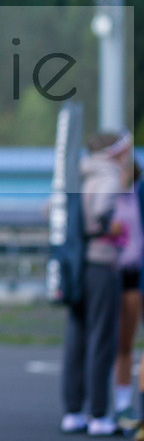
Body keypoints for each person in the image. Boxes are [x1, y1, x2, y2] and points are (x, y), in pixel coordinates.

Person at [61, 131, 132, 436]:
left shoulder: (78, 174)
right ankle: (100, 415)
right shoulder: (110, 177)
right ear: (116, 152)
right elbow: (103, 214)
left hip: (75, 265)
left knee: (76, 338)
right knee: (103, 339)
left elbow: (52, 210)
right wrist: (114, 227)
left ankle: (73, 411)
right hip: (101, 263)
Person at [113, 158, 143, 430]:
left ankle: (124, 404)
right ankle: (117, 404)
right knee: (118, 343)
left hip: (135, 273)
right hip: (113, 273)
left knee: (129, 342)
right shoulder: (103, 194)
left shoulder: (137, 194)